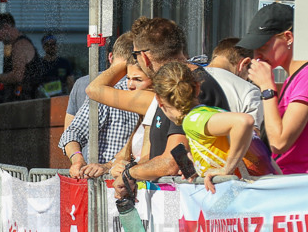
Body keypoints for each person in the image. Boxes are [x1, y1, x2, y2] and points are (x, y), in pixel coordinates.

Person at [113, 16, 235, 200]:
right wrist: (132, 170)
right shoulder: (171, 83)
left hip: (197, 204)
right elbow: (178, 156)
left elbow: (171, 162)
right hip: (179, 202)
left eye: (134, 55)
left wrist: (130, 174)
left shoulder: (186, 85)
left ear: (144, 57)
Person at [153, 60, 276, 193]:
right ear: (198, 88)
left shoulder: (193, 120)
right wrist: (198, 168)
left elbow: (244, 121)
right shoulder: (213, 112)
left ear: (158, 100)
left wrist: (226, 169)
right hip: (264, 192)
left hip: (249, 197)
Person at [239, 2, 308, 174]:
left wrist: (267, 88)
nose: (257, 57)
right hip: (287, 183)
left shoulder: (305, 77)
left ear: (288, 38)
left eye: (263, 47)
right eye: (254, 50)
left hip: (298, 187)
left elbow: (279, 142)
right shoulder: (293, 78)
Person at [59, 33, 140, 174]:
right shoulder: (99, 90)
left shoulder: (82, 84)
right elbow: (72, 132)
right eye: (128, 77)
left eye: (137, 79)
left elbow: (70, 131)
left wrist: (77, 159)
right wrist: (79, 160)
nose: (130, 83)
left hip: (108, 177)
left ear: (110, 57)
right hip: (102, 179)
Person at [205, 38, 263, 128]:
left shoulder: (186, 79)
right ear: (245, 63)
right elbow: (253, 137)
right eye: (249, 75)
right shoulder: (249, 91)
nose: (248, 79)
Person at [29, 33, 75, 98]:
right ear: (43, 47)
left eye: (54, 44)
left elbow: (71, 83)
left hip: (61, 100)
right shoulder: (38, 64)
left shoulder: (64, 63)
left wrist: (72, 100)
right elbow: (33, 85)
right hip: (44, 101)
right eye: (49, 44)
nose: (52, 47)